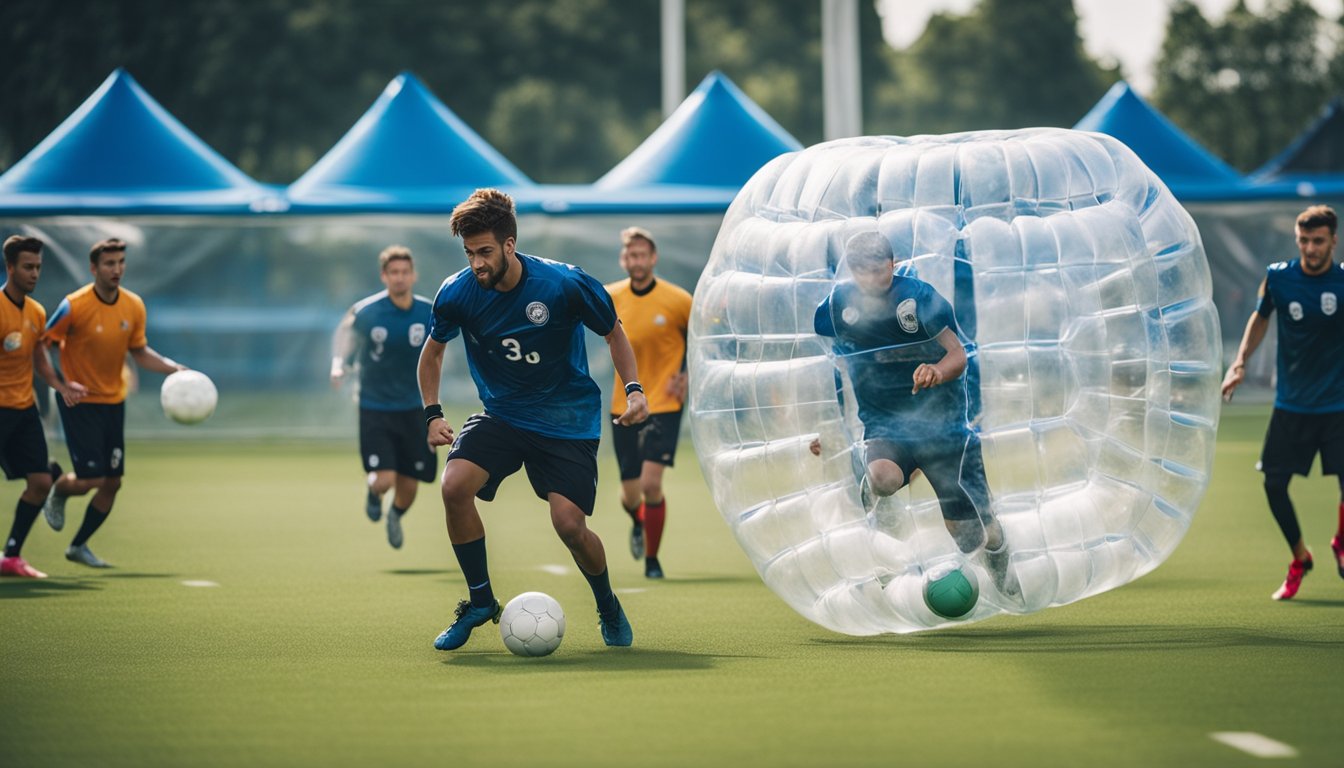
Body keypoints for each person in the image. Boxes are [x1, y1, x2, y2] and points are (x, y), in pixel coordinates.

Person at [418, 188, 648, 651]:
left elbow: (614, 334)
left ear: (509, 245)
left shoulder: (564, 284)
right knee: (454, 485)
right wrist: (432, 414)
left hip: (567, 419)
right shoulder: (457, 292)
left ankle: (606, 603)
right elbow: (433, 354)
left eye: (484, 252)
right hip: (503, 413)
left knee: (569, 525)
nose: (476, 263)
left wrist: (635, 390)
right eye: (468, 253)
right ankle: (481, 602)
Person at [809, 231, 1017, 597]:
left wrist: (937, 371)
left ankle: (1002, 571)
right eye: (863, 272)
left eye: (880, 270)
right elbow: (831, 369)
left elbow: (957, 354)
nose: (873, 279)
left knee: (973, 534)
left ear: (892, 264)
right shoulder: (834, 310)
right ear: (852, 270)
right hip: (884, 423)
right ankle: (879, 530)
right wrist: (826, 423)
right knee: (882, 477)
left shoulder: (918, 298)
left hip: (943, 427)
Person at [40, 238, 189, 568]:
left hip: (113, 402)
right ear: (93, 268)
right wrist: (61, 384)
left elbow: (138, 351)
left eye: (121, 262)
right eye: (109, 264)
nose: (117, 269)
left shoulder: (133, 305)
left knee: (113, 482)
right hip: (79, 401)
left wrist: (172, 367)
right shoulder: (74, 305)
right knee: (91, 480)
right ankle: (59, 488)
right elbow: (43, 344)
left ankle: (78, 546)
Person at [1221, 204, 1344, 600]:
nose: (1310, 248)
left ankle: (1340, 542)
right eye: (1304, 240)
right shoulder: (1278, 279)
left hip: (1338, 405)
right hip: (1291, 404)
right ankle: (1299, 557)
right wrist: (1239, 363)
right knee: (1274, 485)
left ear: (1333, 241)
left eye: (1318, 241)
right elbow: (1259, 319)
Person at [331, 245, 436, 549]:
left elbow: (439, 349)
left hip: (416, 407)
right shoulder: (368, 311)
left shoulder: (427, 311)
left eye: (405, 272)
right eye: (394, 273)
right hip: (375, 405)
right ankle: (373, 490)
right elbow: (345, 333)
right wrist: (340, 364)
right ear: (384, 276)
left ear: (413, 275)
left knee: (409, 485)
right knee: (385, 479)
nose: (400, 278)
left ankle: (396, 515)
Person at [604, 227, 692, 579]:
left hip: (665, 405)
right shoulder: (609, 297)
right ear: (623, 259)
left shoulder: (679, 300)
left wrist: (687, 372)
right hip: (622, 404)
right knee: (630, 495)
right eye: (630, 255)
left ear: (653, 258)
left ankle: (652, 561)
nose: (636, 261)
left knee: (651, 485)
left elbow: (702, 336)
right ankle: (639, 522)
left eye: (642, 255)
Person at [0, 236, 86, 578]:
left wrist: (63, 386)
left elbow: (40, 361)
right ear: (10, 268)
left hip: (23, 412)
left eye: (38, 267)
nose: (34, 274)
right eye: (28, 267)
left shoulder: (36, 312)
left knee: (40, 481)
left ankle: (10, 556)